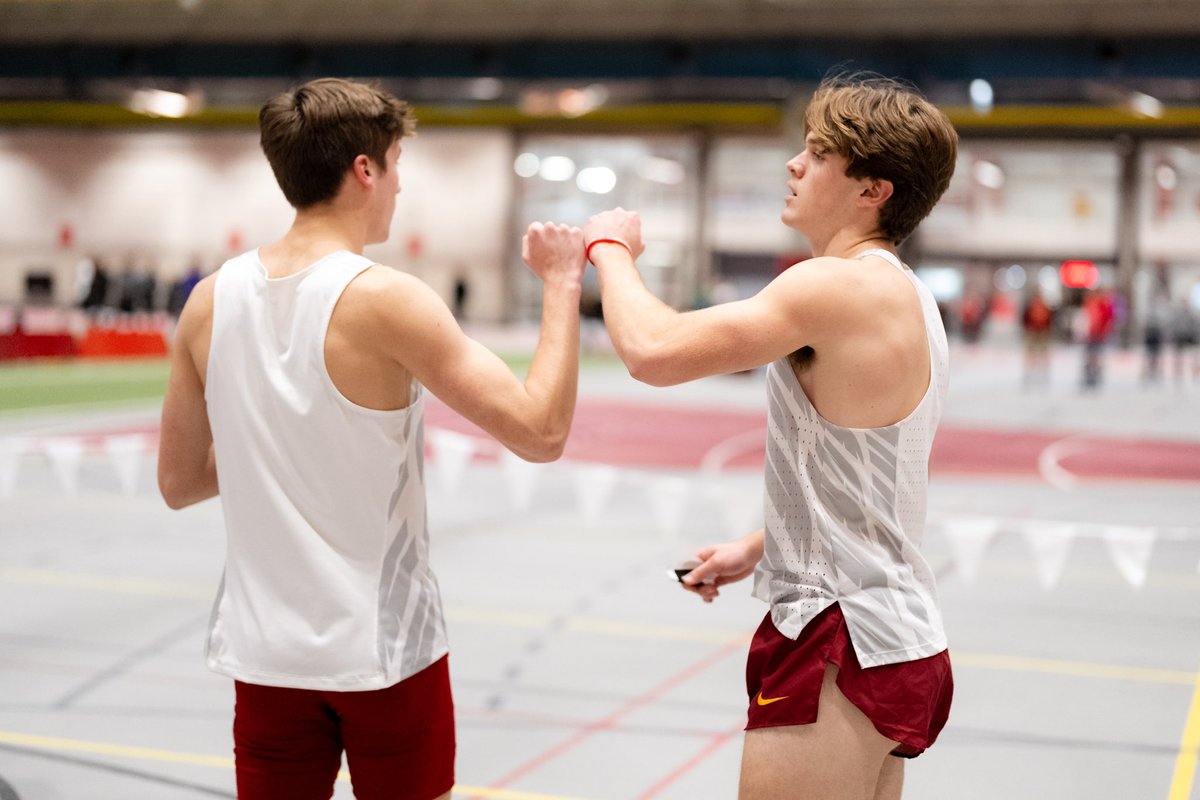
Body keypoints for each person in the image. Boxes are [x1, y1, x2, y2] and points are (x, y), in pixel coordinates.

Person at [156, 78, 585, 800]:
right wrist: (564, 283)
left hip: (264, 657)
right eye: (395, 168)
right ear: (365, 170)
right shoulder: (386, 298)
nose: (397, 189)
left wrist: (283, 438)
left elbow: (180, 482)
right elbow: (541, 431)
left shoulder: (208, 300)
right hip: (384, 653)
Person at [581, 73, 957, 800]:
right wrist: (759, 546)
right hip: (892, 634)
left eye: (818, 154)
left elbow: (652, 351)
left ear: (872, 189)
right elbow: (871, 475)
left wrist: (608, 248)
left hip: (842, 636)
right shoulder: (905, 293)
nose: (793, 165)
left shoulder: (835, 286)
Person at [1021, 287, 1055, 388]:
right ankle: (1031, 372)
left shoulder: (1045, 307)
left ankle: (1042, 373)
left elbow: (1050, 319)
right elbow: (1025, 318)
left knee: (1042, 354)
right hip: (1033, 332)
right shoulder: (1032, 306)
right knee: (1032, 354)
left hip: (1042, 332)